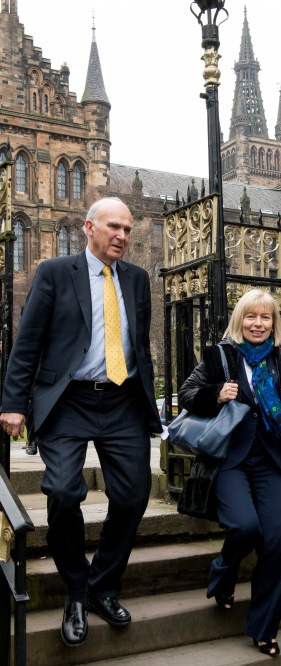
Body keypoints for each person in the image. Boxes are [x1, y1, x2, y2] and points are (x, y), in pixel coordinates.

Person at [0, 197, 162, 647]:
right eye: (114, 227)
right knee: (64, 489)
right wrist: (14, 402)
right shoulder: (54, 272)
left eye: (128, 229)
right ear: (89, 227)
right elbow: (27, 342)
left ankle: (102, 588)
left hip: (122, 400)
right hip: (67, 400)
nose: (123, 237)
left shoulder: (137, 278)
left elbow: (140, 346)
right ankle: (75, 589)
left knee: (133, 493)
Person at [178, 289, 281, 658]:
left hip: (273, 463)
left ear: (274, 324)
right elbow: (187, 393)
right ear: (239, 320)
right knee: (246, 527)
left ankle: (264, 627)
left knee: (279, 542)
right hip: (230, 461)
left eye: (266, 318)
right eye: (251, 317)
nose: (258, 324)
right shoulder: (220, 356)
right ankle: (223, 572)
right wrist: (216, 394)